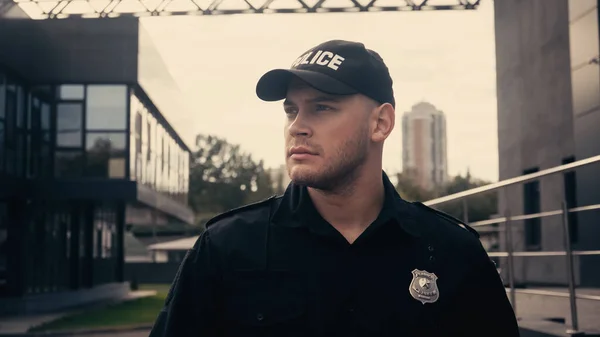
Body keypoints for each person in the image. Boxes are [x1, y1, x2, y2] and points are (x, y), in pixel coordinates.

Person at [148, 39, 520, 337]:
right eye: (291, 110)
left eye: (322, 108)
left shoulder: (453, 252)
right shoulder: (227, 248)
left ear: (381, 123)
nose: (298, 126)